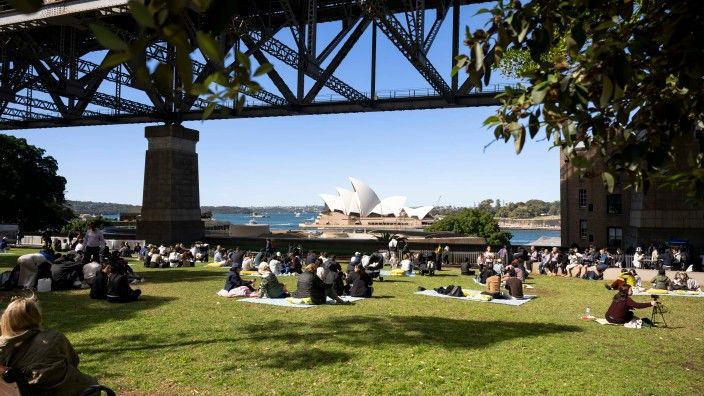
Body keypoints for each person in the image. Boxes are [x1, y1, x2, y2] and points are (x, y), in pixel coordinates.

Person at [0, 296, 99, 394]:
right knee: (92, 384)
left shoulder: (3, 348)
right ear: (36, 316)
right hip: (66, 391)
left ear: (7, 320)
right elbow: (74, 361)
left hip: (27, 391)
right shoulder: (53, 338)